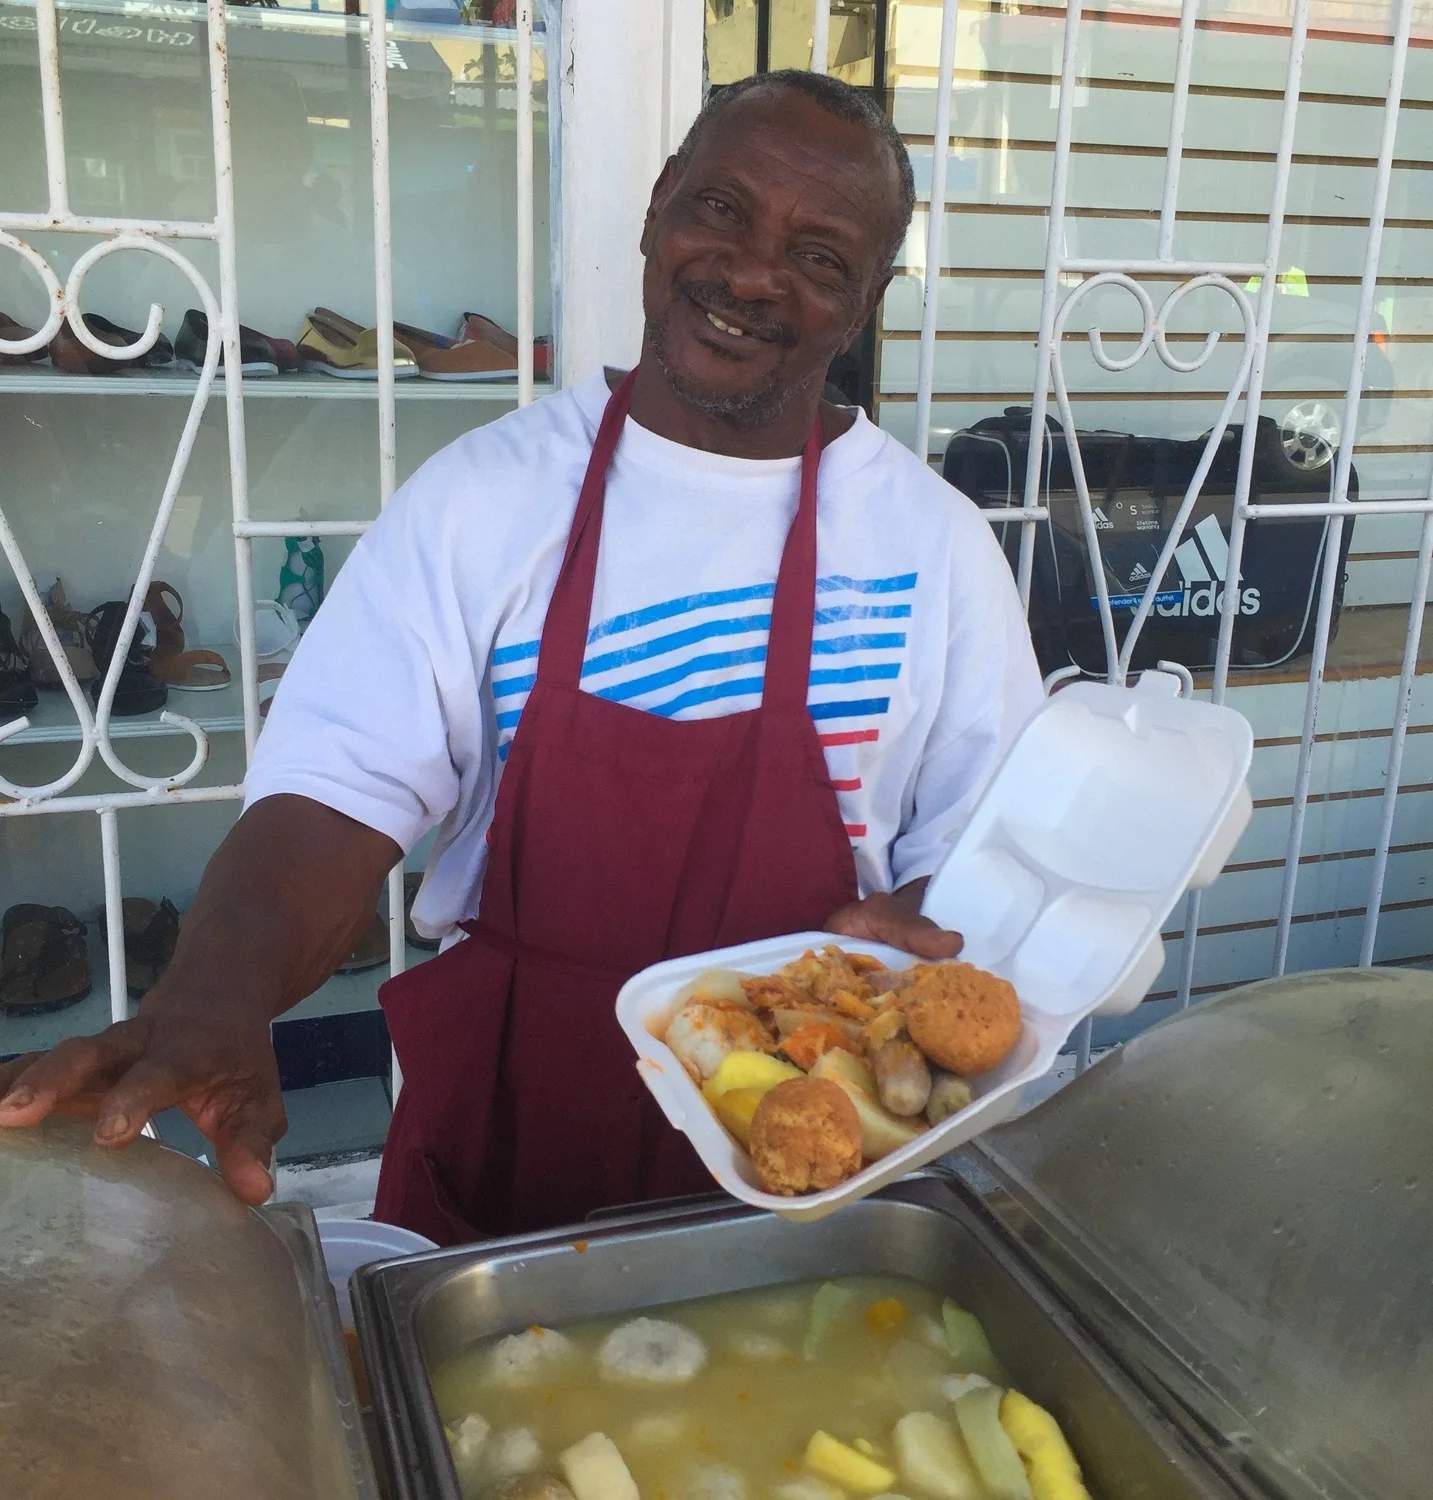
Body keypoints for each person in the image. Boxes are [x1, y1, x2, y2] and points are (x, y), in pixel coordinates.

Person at [0, 70, 1041, 1242]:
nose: (750, 274)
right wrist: (215, 994)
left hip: (822, 1159)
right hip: (512, 1137)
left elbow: (992, 866)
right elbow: (338, 791)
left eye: (817, 257)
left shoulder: (936, 548)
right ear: (655, 209)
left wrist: (944, 934)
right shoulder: (486, 500)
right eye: (721, 212)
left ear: (865, 301)